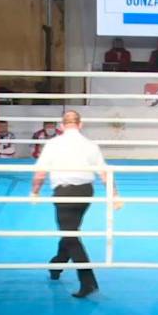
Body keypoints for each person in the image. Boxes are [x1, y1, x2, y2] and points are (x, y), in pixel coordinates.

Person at [31, 110, 122, 298]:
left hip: (64, 192)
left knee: (70, 235)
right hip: (85, 192)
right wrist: (114, 194)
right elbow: (104, 173)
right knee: (70, 231)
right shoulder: (90, 145)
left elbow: (40, 173)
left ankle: (88, 281)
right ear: (80, 125)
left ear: (62, 126)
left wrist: (35, 191)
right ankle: (56, 265)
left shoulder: (53, 144)